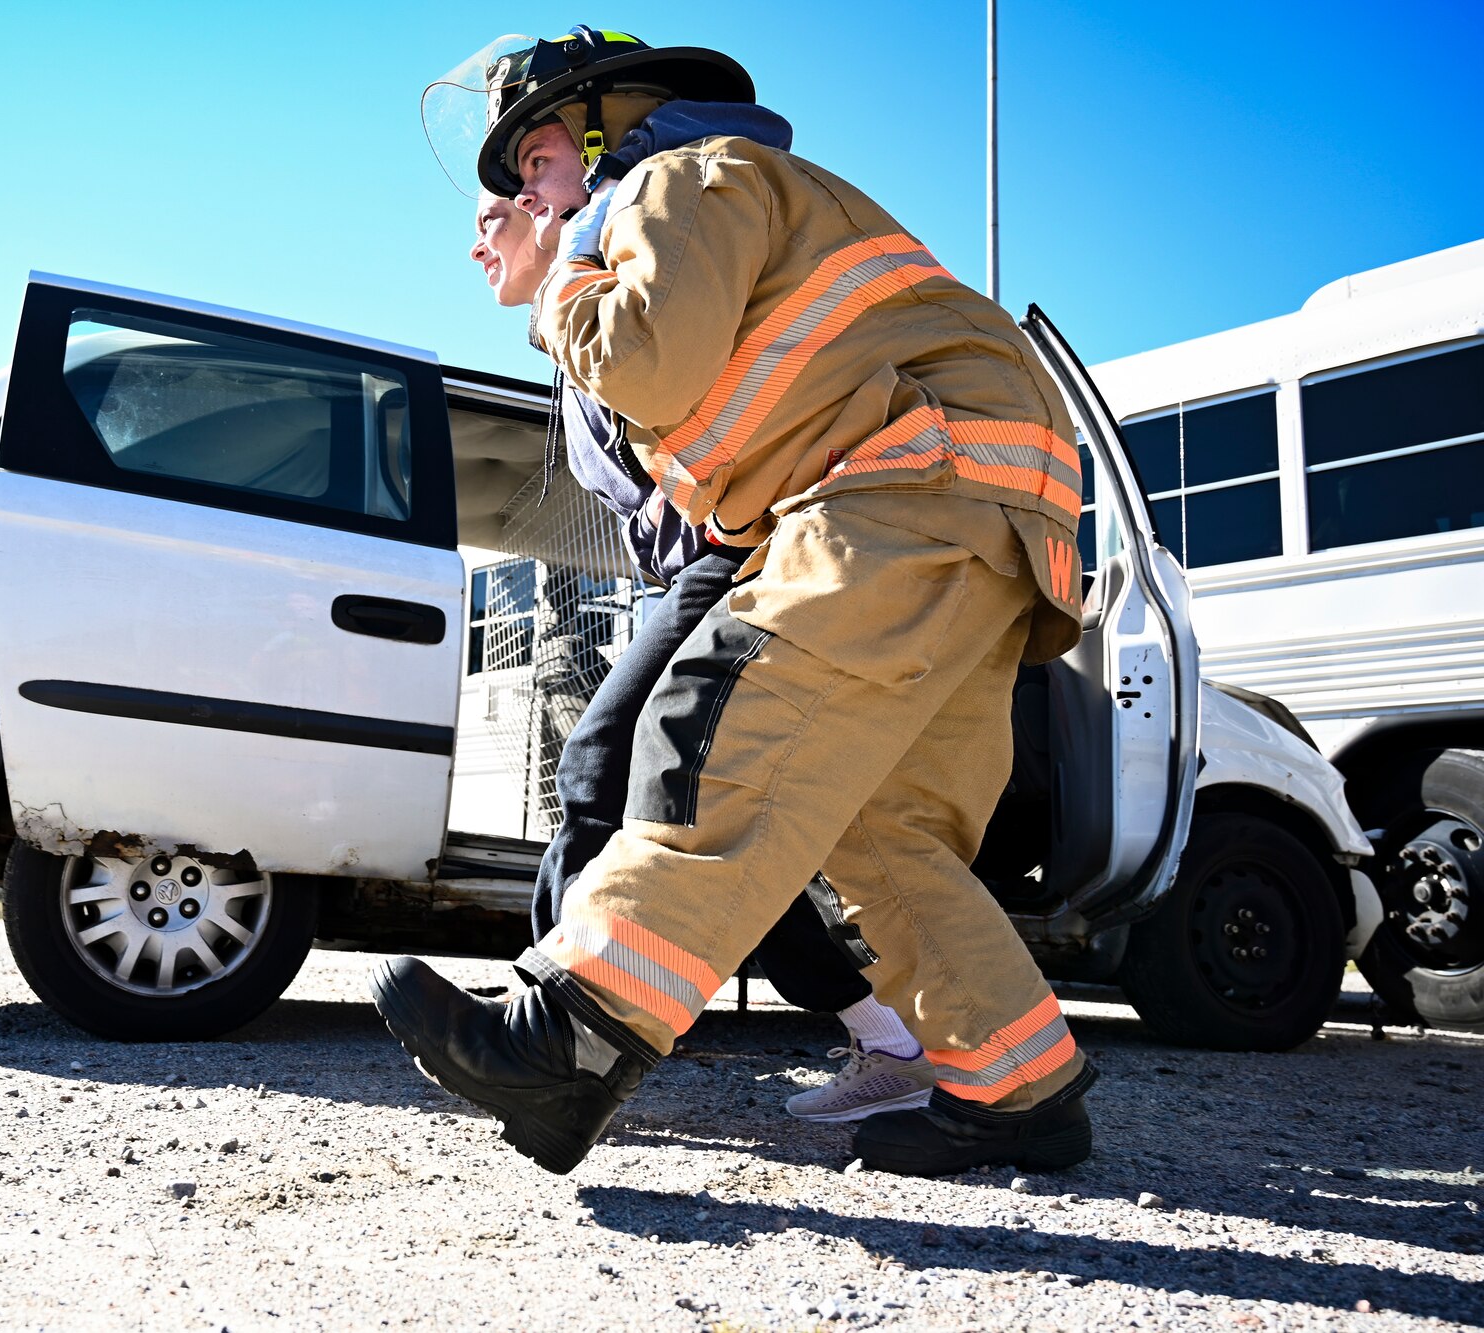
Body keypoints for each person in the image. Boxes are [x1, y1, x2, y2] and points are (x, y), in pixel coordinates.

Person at [376, 28, 1094, 1177]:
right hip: (986, 504)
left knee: (717, 736)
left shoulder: (673, 177)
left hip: (904, 483)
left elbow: (649, 364)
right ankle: (1018, 1090)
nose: (525, 188)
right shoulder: (741, 189)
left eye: (540, 154)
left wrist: (561, 279)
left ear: (611, 125)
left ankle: (567, 1040)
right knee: (878, 826)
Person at [468, 190, 936, 1124]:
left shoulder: (625, 276)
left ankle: (554, 1030)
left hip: (748, 545)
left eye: (498, 211)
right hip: (704, 561)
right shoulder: (564, 328)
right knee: (710, 818)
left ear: (548, 206)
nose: (477, 238)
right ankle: (889, 1040)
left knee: (600, 764)